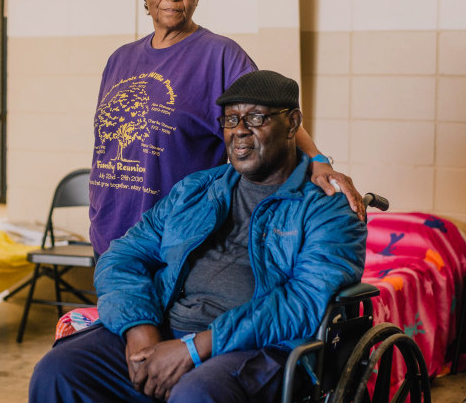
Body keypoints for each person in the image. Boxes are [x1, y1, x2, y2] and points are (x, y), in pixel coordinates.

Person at [31, 70, 368, 402]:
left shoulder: (328, 208)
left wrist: (194, 348)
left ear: (293, 123)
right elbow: (123, 255)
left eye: (255, 119)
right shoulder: (197, 190)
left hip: (259, 346)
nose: (240, 132)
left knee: (195, 393)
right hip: (163, 328)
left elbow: (304, 301)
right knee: (59, 370)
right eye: (231, 120)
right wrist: (139, 330)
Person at [89, 0, 364, 256]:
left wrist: (316, 160)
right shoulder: (120, 59)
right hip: (109, 232)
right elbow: (104, 146)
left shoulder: (219, 55)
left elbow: (271, 114)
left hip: (172, 238)